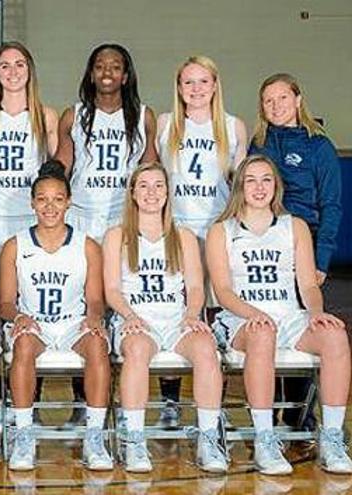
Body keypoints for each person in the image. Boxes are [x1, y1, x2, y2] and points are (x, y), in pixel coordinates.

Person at [208, 155, 352, 475]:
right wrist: (256, 314)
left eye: (266, 180)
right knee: (262, 333)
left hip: (289, 315)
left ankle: (331, 437)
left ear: (277, 186)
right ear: (239, 188)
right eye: (251, 180)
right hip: (242, 317)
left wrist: (316, 313)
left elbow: (308, 285)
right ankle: (264, 438)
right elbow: (223, 292)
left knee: (335, 336)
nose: (259, 188)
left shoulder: (294, 226)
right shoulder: (222, 231)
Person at [56, 44, 157, 425]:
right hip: (83, 216)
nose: (107, 72)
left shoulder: (145, 116)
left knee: (126, 301)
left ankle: (138, 398)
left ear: (126, 74)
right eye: (100, 66)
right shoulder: (75, 115)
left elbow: (150, 168)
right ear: (90, 73)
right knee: (86, 305)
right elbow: (64, 162)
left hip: (124, 221)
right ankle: (85, 399)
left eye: (115, 66)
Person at [104, 162, 226, 473]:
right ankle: (134, 439)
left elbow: (196, 286)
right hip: (135, 319)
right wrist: (129, 315)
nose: (151, 193)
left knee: (205, 348)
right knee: (137, 350)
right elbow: (112, 290)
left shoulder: (182, 236)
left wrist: (191, 314)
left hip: (176, 319)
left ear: (168, 192)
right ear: (132, 193)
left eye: (159, 185)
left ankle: (208, 439)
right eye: (143, 186)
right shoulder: (117, 236)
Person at [0, 161, 111, 471]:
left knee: (98, 345)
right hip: (34, 322)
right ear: (32, 202)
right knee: (22, 346)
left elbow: (95, 299)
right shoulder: (14, 246)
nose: (50, 206)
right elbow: (6, 302)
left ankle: (94, 435)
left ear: (68, 201)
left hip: (74, 322)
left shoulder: (87, 246)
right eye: (42, 199)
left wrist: (94, 317)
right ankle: (24, 434)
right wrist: (18, 316)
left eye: (58, 199)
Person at [155, 55, 247, 426]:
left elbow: (240, 188)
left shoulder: (233, 126)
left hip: (217, 232)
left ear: (215, 85)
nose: (195, 89)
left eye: (203, 81)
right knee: (174, 312)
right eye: (188, 82)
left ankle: (215, 402)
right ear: (178, 87)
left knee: (217, 315)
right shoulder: (165, 124)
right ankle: (171, 402)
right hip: (175, 234)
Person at [249, 73, 344, 431]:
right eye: (269, 101)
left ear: (298, 101)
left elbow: (332, 206)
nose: (276, 106)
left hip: (307, 244)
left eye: (283, 99)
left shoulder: (318, 146)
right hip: (267, 244)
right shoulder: (258, 144)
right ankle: (269, 412)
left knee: (304, 328)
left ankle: (298, 414)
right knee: (268, 323)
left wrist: (320, 260)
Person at [0, 41, 60, 251]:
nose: (13, 72)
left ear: (29, 70)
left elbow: (59, 172)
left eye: (19, 64)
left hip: (31, 216)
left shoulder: (46, 116)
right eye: (5, 66)